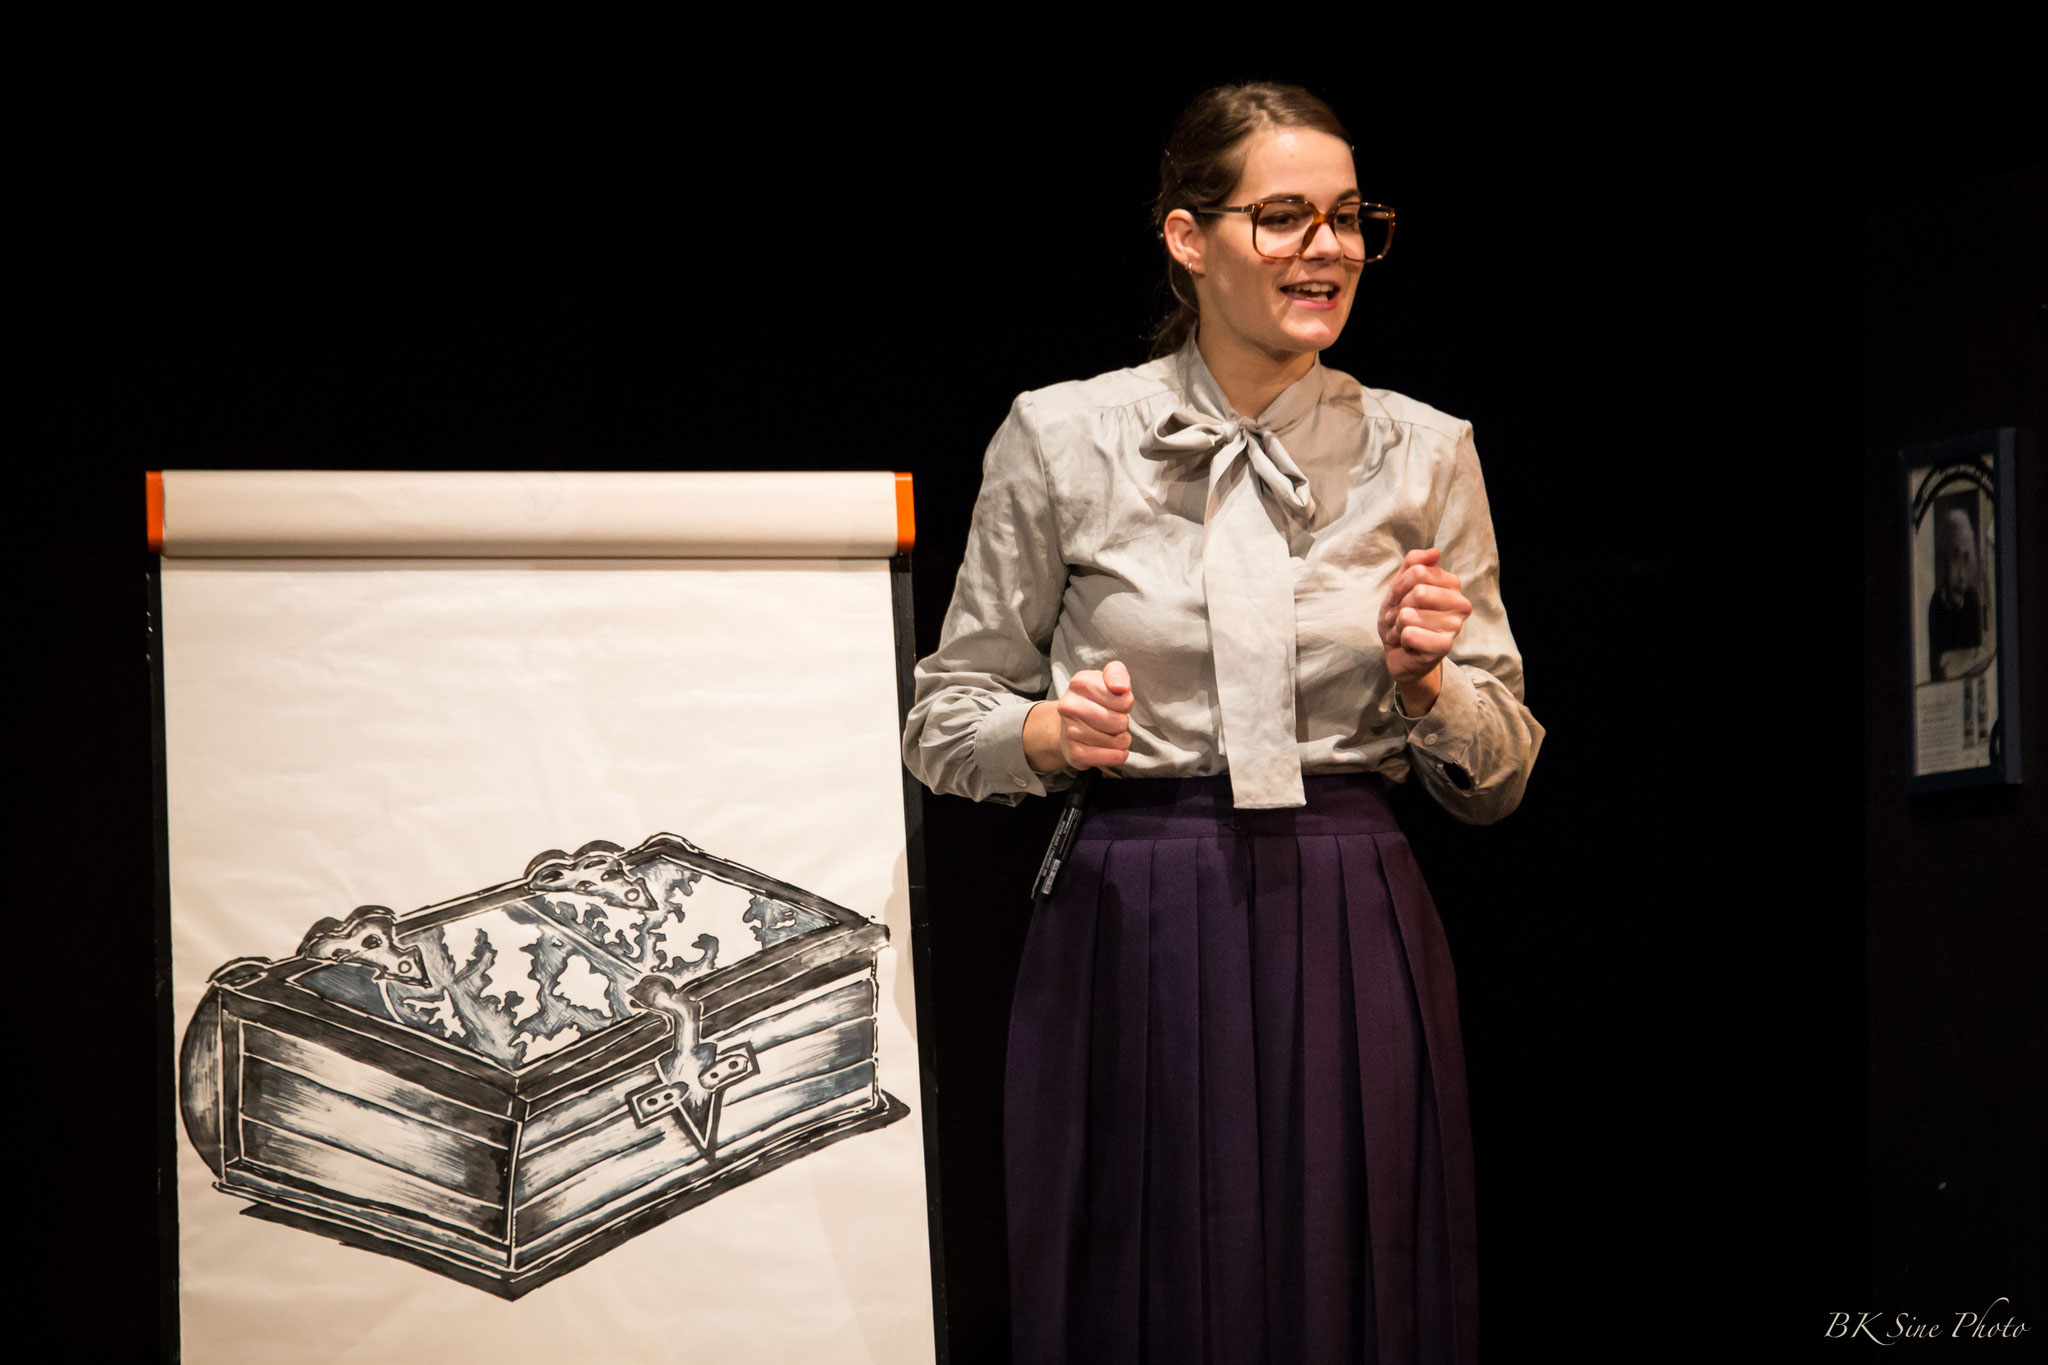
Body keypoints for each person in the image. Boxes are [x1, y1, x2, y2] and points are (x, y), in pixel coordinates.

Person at [902, 81, 1543, 1365]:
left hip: (1346, 901)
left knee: (1345, 1272)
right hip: (1133, 904)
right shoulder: (1062, 437)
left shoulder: (1424, 451)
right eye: (1284, 216)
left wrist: (1427, 689)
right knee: (1144, 1276)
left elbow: (1501, 768)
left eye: (1348, 219)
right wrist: (1046, 737)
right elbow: (945, 716)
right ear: (1187, 238)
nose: (1327, 248)